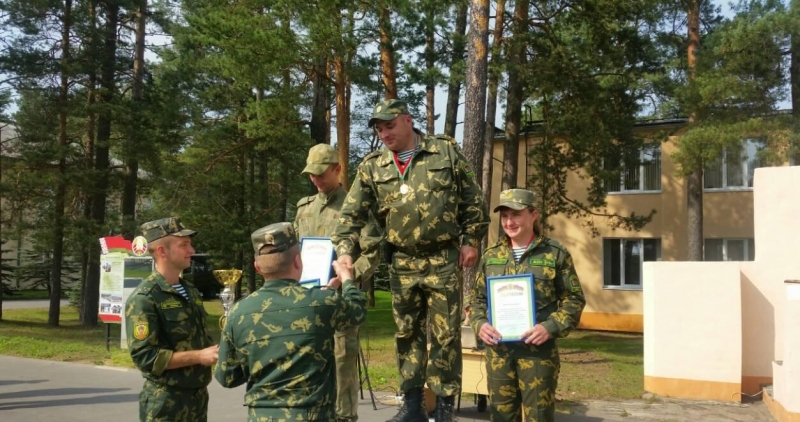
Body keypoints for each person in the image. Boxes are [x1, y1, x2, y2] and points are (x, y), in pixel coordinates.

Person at [332, 98, 490, 422]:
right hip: (402, 262)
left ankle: (444, 408)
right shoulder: (373, 166)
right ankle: (413, 406)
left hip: (443, 259)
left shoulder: (444, 151)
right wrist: (346, 253)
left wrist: (471, 240)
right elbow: (349, 217)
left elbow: (473, 198)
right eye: (379, 128)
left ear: (407, 120)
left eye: (389, 125)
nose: (384, 133)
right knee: (407, 335)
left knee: (446, 336)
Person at [215, 222, 368, 421]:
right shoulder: (321, 303)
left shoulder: (238, 312)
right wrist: (347, 279)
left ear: (257, 267)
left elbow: (227, 377)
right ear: (298, 261)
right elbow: (357, 311)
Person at [467, 189, 586, 422]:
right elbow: (475, 299)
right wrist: (480, 324)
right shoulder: (491, 256)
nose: (509, 222)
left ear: (533, 215)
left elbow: (574, 299)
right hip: (500, 353)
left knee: (538, 418)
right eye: (504, 216)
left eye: (516, 214)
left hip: (538, 355)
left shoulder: (554, 254)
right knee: (501, 417)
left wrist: (549, 327)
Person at [294, 143, 382, 422]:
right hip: (307, 300)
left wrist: (348, 277)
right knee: (306, 362)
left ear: (338, 169)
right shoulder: (304, 208)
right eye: (311, 174)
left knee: (342, 364)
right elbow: (297, 251)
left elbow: (373, 253)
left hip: (341, 301)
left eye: (321, 173)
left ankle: (344, 418)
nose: (315, 180)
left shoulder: (356, 207)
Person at [125, 217, 219, 422]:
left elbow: (198, 339)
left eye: (190, 244)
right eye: (184, 245)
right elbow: (145, 357)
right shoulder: (145, 298)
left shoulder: (190, 291)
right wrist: (199, 357)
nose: (192, 250)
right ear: (162, 251)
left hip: (197, 398)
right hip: (166, 402)